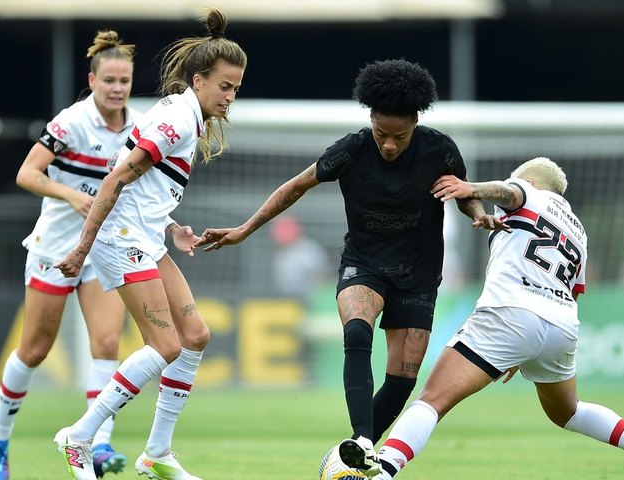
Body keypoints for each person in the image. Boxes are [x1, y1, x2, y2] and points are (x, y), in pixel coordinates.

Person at [196, 58, 506, 476]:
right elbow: (295, 187)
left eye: (400, 136)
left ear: (416, 122)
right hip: (364, 263)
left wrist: (476, 209)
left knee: (402, 379)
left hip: (418, 272)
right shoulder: (352, 149)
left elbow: (460, 189)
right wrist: (245, 230)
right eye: (382, 134)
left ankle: (349, 459)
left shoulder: (440, 149)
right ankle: (361, 440)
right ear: (370, 120)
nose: (390, 145)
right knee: (357, 330)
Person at [367, 157, 624, 480]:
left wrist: (471, 188)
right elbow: (574, 290)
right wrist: (525, 351)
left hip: (511, 310)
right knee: (568, 411)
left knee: (431, 399)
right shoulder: (579, 231)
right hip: (562, 324)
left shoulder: (529, 192)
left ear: (530, 182)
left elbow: (508, 193)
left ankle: (382, 474)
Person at [52, 8, 247, 480]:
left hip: (144, 236)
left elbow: (144, 189)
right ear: (199, 80)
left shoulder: (185, 112)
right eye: (225, 86)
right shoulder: (178, 119)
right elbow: (118, 176)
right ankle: (79, 437)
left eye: (237, 88)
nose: (231, 96)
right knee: (164, 345)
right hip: (120, 240)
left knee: (195, 337)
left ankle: (156, 452)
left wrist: (170, 225)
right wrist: (83, 247)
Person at [0, 30, 138, 480]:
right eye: (109, 79)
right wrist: (69, 194)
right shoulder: (70, 123)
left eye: (124, 80)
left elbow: (139, 191)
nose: (117, 88)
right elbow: (27, 174)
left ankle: (98, 442)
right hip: (55, 247)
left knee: (108, 342)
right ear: (92, 80)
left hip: (102, 248)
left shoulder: (139, 127)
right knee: (35, 349)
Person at [269, 215, 330, 306]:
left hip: (309, 300)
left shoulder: (307, 250)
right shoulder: (281, 253)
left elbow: (321, 276)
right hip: (287, 301)